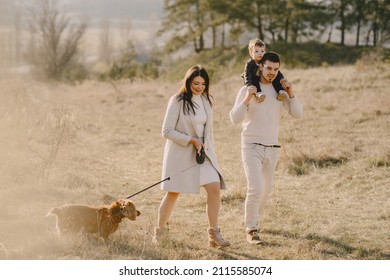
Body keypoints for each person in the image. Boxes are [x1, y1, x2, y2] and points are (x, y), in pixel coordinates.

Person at [153, 64, 230, 248]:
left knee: (214, 188)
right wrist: (191, 140)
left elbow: (207, 131)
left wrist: (206, 148)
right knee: (173, 193)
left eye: (203, 83)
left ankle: (213, 233)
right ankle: (159, 233)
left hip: (202, 155)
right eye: (196, 83)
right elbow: (166, 131)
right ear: (188, 81)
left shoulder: (206, 100)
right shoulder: (177, 100)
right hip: (181, 155)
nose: (200, 87)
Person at [230, 52, 303, 245]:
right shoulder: (249, 88)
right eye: (268, 68)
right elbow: (234, 118)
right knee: (255, 187)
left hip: (272, 146)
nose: (272, 72)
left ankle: (252, 220)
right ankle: (251, 230)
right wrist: (247, 98)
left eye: (276, 69)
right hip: (250, 144)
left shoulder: (280, 90)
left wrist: (291, 92)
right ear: (260, 66)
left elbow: (297, 114)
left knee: (265, 190)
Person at [241, 38, 288, 103]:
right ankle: (259, 94)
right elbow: (247, 75)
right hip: (253, 79)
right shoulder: (250, 63)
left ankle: (280, 91)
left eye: (262, 51)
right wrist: (249, 85)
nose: (260, 53)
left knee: (274, 74)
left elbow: (278, 72)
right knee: (254, 80)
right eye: (256, 51)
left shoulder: (265, 61)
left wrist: (282, 79)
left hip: (264, 79)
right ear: (251, 53)